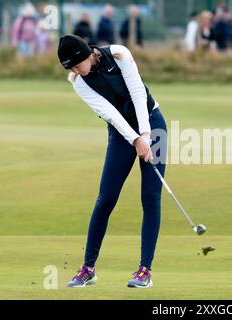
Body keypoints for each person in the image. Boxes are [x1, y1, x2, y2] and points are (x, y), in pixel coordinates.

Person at [57, 34, 167, 288]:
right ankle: (88, 269)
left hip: (153, 122)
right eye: (71, 69)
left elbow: (138, 94)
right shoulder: (79, 82)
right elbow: (112, 114)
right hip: (121, 133)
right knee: (106, 198)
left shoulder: (119, 54)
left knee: (151, 197)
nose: (76, 71)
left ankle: (144, 271)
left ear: (86, 55)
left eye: (76, 65)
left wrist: (147, 136)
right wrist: (135, 140)